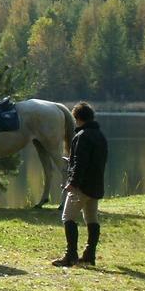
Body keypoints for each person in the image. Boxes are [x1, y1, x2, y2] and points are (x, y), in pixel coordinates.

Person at [52, 101, 108, 267]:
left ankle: (71, 255)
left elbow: (80, 162)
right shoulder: (100, 136)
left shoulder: (81, 136)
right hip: (96, 184)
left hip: (81, 186)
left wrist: (72, 183)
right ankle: (89, 255)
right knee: (91, 218)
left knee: (67, 217)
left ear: (78, 118)